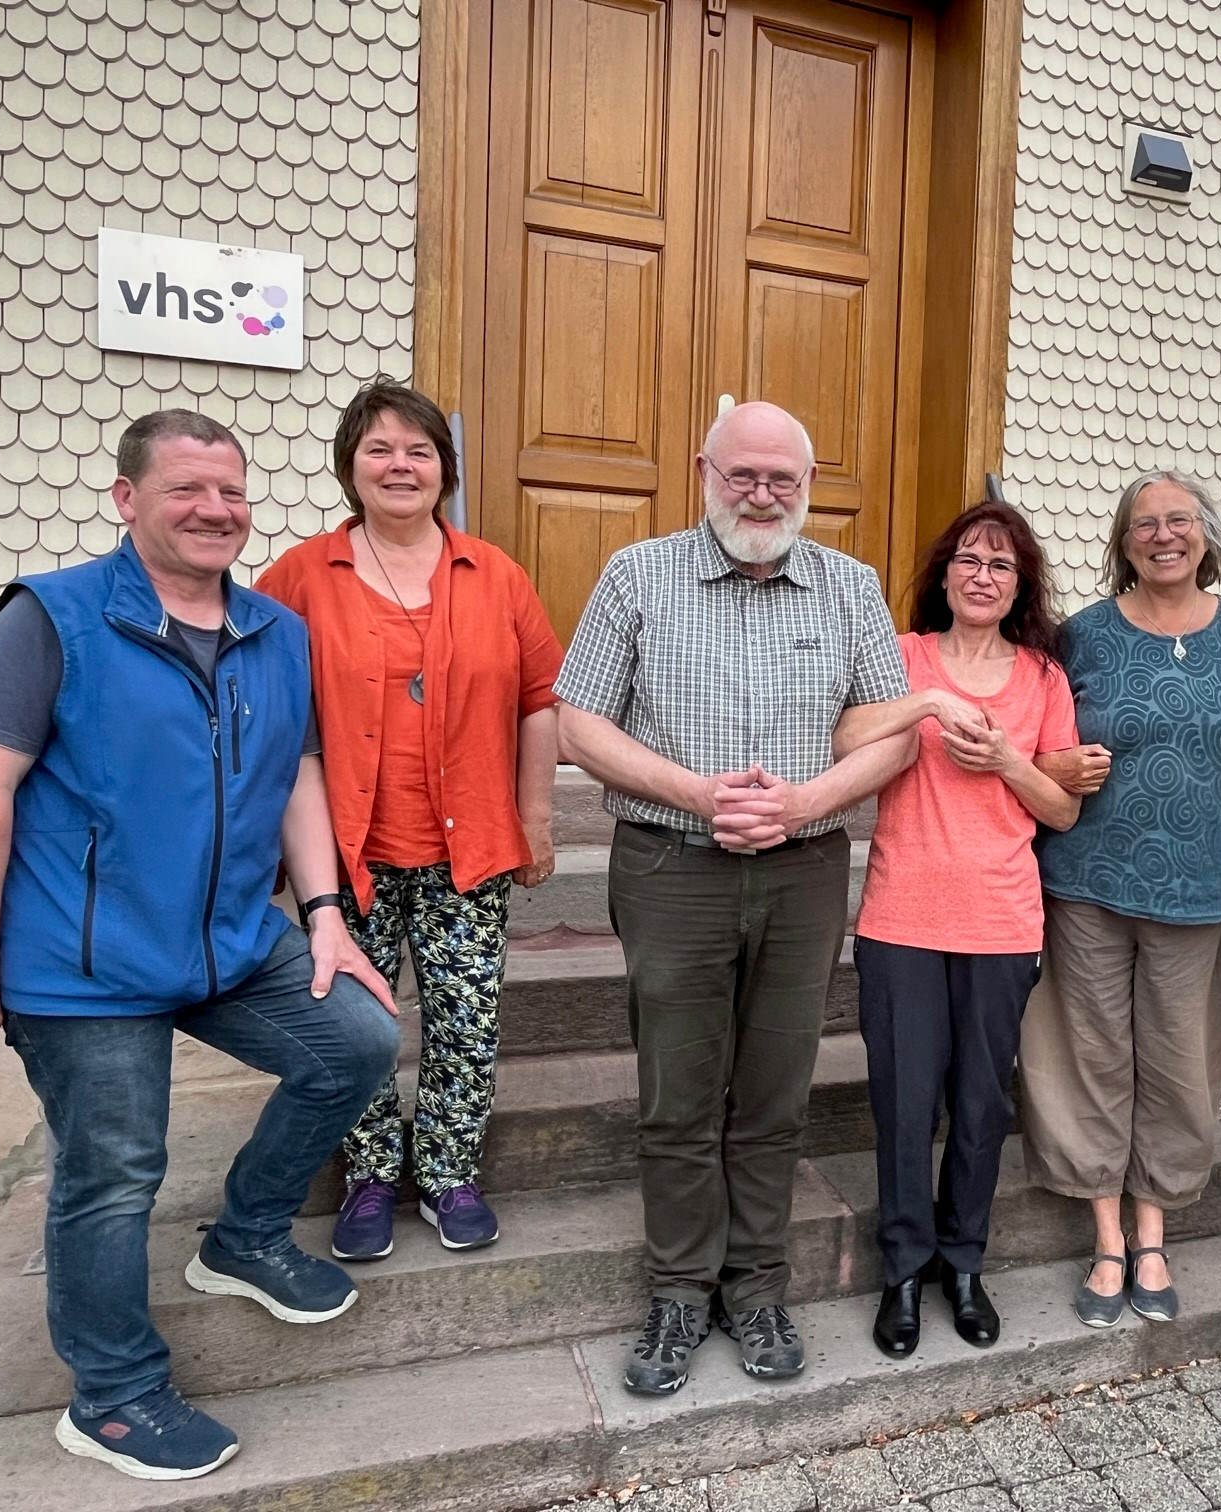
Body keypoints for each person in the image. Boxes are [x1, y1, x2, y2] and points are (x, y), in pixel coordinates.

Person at [0, 412, 399, 1481]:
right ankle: (112, 1394)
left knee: (358, 1042)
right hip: (83, 961)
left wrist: (325, 913)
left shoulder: (276, 632)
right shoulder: (52, 618)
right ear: (127, 499)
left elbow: (296, 774)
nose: (214, 510)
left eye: (230, 492)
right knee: (114, 1171)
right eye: (186, 488)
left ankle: (245, 1237)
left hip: (229, 940)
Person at [554, 400, 912, 1395]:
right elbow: (579, 722)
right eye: (742, 474)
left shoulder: (851, 586)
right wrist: (698, 795)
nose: (761, 495)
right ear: (704, 471)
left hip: (803, 871)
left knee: (775, 1093)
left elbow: (893, 730)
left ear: (808, 484)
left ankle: (756, 1288)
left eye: (781, 479)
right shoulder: (638, 574)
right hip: (672, 869)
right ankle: (678, 1291)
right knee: (677, 1095)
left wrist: (804, 804)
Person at [256, 380, 563, 1259]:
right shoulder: (300, 577)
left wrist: (537, 817)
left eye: (419, 450)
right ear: (351, 467)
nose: (401, 466)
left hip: (469, 850)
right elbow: (264, 710)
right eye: (380, 449)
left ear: (443, 469)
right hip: (343, 853)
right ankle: (370, 1173)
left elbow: (540, 701)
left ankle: (449, 1172)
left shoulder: (496, 575)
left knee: (466, 1019)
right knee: (356, 1024)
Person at [1025, 469, 1221, 1327]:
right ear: (1123, 544)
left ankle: (1154, 1234)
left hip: (1198, 891)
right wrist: (1057, 765)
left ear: (1205, 534)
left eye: (1179, 520)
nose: (1163, 535)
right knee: (1090, 1056)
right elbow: (1039, 743)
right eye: (1144, 524)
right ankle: (1106, 1238)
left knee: (1178, 1065)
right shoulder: (1082, 637)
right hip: (1087, 882)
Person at [836, 502, 1080, 1358]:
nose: (983, 575)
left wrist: (1007, 760)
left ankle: (964, 1263)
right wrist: (931, 701)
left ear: (1020, 587)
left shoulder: (1043, 678)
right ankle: (903, 1269)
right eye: (969, 559)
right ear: (944, 575)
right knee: (905, 1104)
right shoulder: (903, 658)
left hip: (1001, 920)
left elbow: (1063, 808)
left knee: (980, 1104)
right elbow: (845, 734)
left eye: (1001, 565)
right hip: (902, 915)